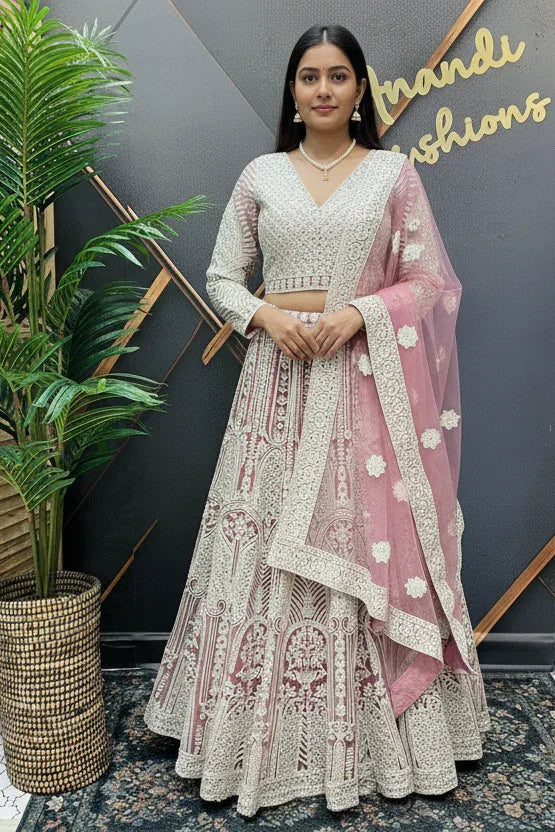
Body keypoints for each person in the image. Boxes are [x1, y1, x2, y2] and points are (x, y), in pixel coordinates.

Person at [144, 23, 491, 818]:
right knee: (265, 550)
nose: (324, 89)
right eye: (309, 77)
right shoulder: (262, 174)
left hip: (365, 389)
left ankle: (377, 740)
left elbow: (429, 283)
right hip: (277, 383)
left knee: (356, 537)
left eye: (338, 75)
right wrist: (266, 319)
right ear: (293, 93)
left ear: (360, 89)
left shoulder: (393, 175)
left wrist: (362, 313)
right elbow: (223, 275)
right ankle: (255, 736)